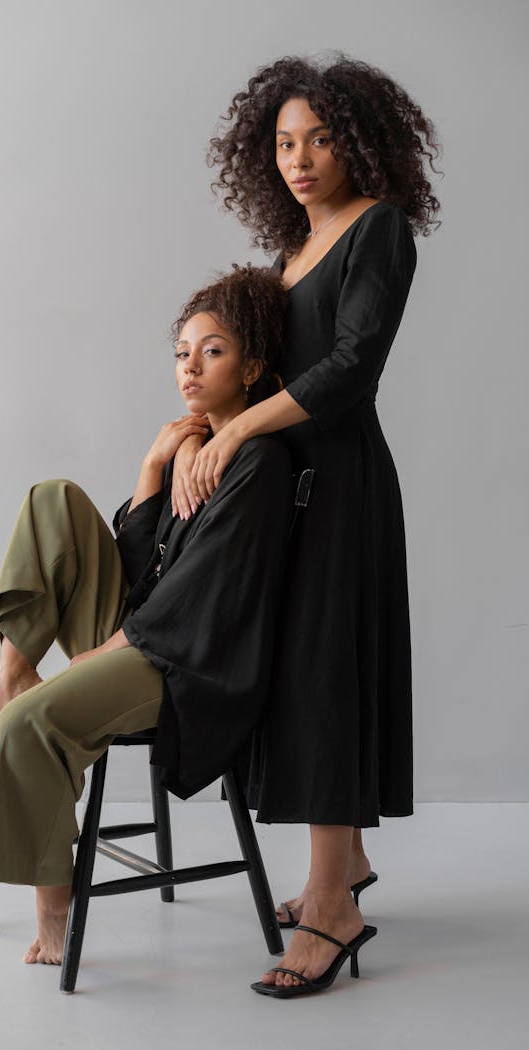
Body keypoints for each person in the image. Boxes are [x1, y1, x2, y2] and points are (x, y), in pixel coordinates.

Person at [169, 54, 441, 997]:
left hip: (344, 483)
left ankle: (332, 909)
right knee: (302, 670)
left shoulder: (380, 230)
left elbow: (353, 366)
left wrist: (240, 424)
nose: (300, 158)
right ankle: (346, 862)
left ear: (359, 141)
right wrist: (199, 427)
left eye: (321, 138)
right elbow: (267, 376)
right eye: (284, 142)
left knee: (323, 676)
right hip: (286, 488)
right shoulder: (292, 252)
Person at [0, 265, 295, 966]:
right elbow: (138, 562)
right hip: (139, 629)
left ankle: (53, 910)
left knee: (30, 726)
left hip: (183, 665)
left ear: (254, 366)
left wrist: (97, 656)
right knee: (51, 497)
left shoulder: (258, 463)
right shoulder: (194, 445)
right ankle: (11, 676)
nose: (190, 367)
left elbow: (198, 595)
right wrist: (156, 463)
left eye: (213, 351)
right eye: (183, 353)